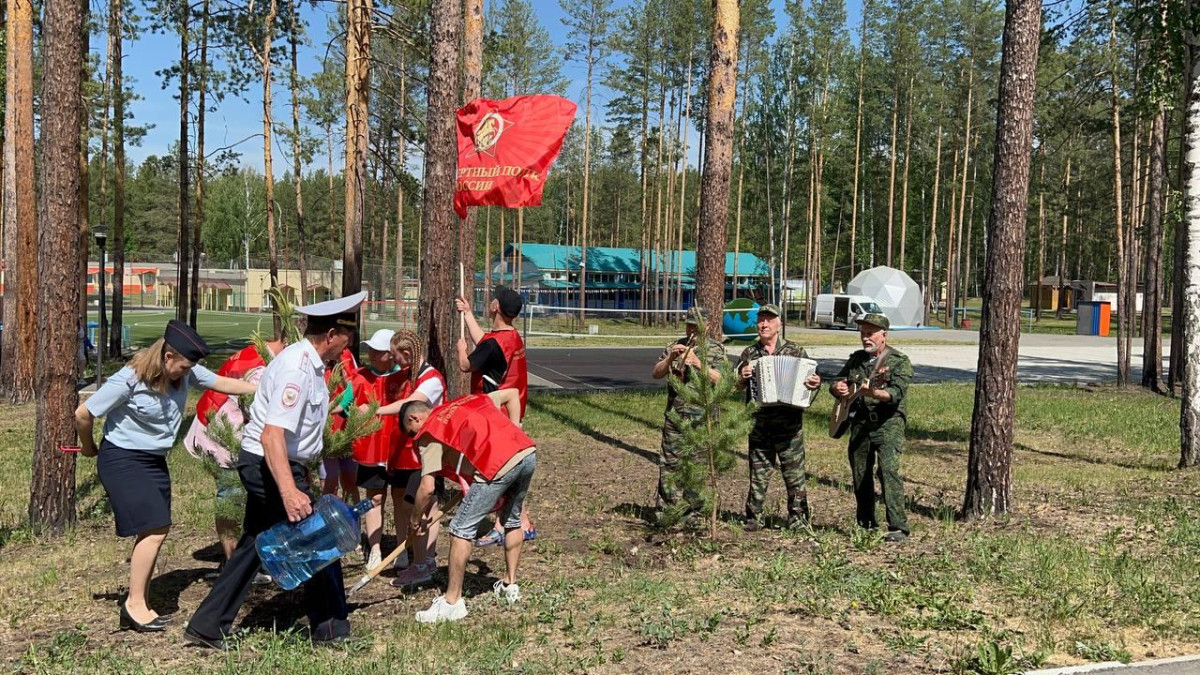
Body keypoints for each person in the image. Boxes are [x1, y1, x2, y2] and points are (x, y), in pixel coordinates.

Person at [185, 291, 368, 649]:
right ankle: (331, 628)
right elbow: (272, 436)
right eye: (347, 334)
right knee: (317, 538)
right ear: (331, 335)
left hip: (276, 462)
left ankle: (207, 626)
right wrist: (289, 490)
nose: (350, 342)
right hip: (269, 464)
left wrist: (301, 471)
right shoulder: (297, 369)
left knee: (255, 543)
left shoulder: (310, 364)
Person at [73, 321, 256, 632]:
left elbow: (222, 383)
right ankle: (134, 605)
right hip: (123, 459)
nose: (188, 373)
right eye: (183, 367)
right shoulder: (129, 379)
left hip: (153, 460)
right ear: (168, 357)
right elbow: (83, 414)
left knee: (157, 528)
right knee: (155, 528)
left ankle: (139, 599)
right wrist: (89, 447)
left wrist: (264, 389)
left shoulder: (185, 372)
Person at [399, 389, 533, 623]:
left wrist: (414, 520)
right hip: (526, 453)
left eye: (411, 432)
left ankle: (452, 602)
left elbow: (427, 487)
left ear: (414, 418)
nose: (414, 438)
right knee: (511, 520)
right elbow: (512, 394)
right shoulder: (466, 401)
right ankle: (510, 585)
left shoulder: (430, 432)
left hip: (496, 465)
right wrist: (515, 430)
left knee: (460, 529)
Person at [183, 337, 286, 581]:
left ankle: (247, 559)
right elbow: (258, 410)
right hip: (225, 433)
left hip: (233, 430)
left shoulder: (262, 354)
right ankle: (232, 564)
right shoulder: (260, 365)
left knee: (245, 497)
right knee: (231, 494)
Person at [454, 285, 535, 545]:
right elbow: (486, 344)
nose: (490, 300)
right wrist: (468, 313)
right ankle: (519, 522)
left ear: (496, 307)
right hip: (513, 410)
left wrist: (460, 349)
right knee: (508, 470)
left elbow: (467, 365)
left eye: (493, 298)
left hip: (495, 414)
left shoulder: (493, 344)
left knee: (499, 471)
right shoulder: (511, 336)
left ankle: (512, 523)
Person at [734, 304, 822, 530]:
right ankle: (754, 517)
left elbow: (812, 382)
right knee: (758, 472)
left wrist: (815, 383)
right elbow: (735, 385)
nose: (764, 324)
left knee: (794, 474)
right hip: (760, 424)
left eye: (769, 320)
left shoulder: (796, 351)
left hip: (789, 425)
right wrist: (742, 377)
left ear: (779, 324)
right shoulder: (749, 353)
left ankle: (799, 519)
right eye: (761, 320)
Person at [829, 313, 914, 543]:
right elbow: (837, 381)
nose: (866, 338)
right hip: (860, 422)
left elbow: (896, 393)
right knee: (860, 473)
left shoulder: (899, 361)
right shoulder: (856, 359)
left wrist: (874, 392)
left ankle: (898, 527)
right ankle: (866, 523)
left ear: (884, 335)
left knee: (888, 471)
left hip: (888, 423)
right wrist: (838, 388)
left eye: (870, 333)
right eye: (863, 333)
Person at [372, 329, 447, 585]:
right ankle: (420, 560)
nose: (394, 361)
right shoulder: (409, 374)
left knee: (423, 506)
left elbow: (410, 405)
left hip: (428, 453)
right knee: (411, 505)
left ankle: (424, 562)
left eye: (395, 356)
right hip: (411, 453)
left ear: (406, 352)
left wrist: (375, 410)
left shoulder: (431, 379)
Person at [650, 306, 726, 520]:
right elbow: (656, 373)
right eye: (689, 325)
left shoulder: (715, 349)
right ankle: (668, 511)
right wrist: (670, 359)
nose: (692, 329)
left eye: (696, 325)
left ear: (707, 326)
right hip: (675, 417)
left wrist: (699, 364)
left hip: (701, 419)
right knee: (669, 464)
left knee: (697, 466)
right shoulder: (675, 345)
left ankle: (694, 513)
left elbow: (722, 380)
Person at [351, 329, 404, 570]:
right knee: (375, 497)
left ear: (391, 354)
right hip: (371, 450)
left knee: (400, 498)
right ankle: (375, 549)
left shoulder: (404, 377)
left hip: (398, 449)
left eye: (378, 351)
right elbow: (345, 403)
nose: (371, 354)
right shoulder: (360, 376)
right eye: (370, 349)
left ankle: (401, 548)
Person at [320, 349, 361, 502]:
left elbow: (353, 387)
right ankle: (328, 515)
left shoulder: (344, 354)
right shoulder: (313, 355)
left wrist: (337, 406)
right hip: (324, 431)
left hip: (344, 428)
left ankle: (351, 515)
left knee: (350, 481)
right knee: (329, 482)